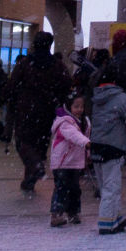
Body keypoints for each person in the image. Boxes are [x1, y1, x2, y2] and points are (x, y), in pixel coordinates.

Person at [10, 31, 71, 192]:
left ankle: (34, 168)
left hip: (26, 109)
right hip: (47, 110)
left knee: (23, 142)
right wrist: (57, 101)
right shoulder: (57, 65)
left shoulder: (25, 64)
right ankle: (30, 178)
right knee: (40, 144)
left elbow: (12, 85)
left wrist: (13, 101)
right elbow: (66, 85)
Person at [85, 64, 126, 233]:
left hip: (97, 146)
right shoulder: (121, 98)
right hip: (113, 146)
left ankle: (115, 217)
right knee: (112, 187)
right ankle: (106, 223)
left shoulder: (96, 98)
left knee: (106, 186)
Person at [48, 93, 89, 227]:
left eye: (81, 106)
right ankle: (56, 214)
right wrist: (87, 143)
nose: (79, 109)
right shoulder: (64, 122)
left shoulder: (84, 122)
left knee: (75, 189)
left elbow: (84, 136)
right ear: (68, 107)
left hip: (75, 162)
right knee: (61, 187)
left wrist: (87, 155)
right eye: (76, 106)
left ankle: (73, 212)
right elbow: (74, 135)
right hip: (62, 162)